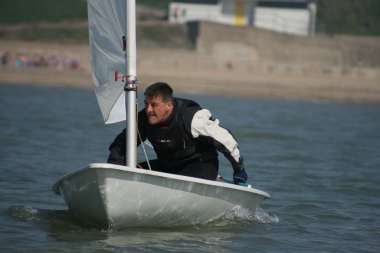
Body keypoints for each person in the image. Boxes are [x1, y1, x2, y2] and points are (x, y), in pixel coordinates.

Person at [107, 82, 248, 185]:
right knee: (130, 176)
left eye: (154, 105)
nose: (149, 109)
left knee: (177, 181)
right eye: (146, 104)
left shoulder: (191, 117)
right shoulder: (144, 119)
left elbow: (226, 140)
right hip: (168, 165)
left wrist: (239, 170)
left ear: (169, 105)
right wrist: (117, 173)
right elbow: (119, 146)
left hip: (201, 165)